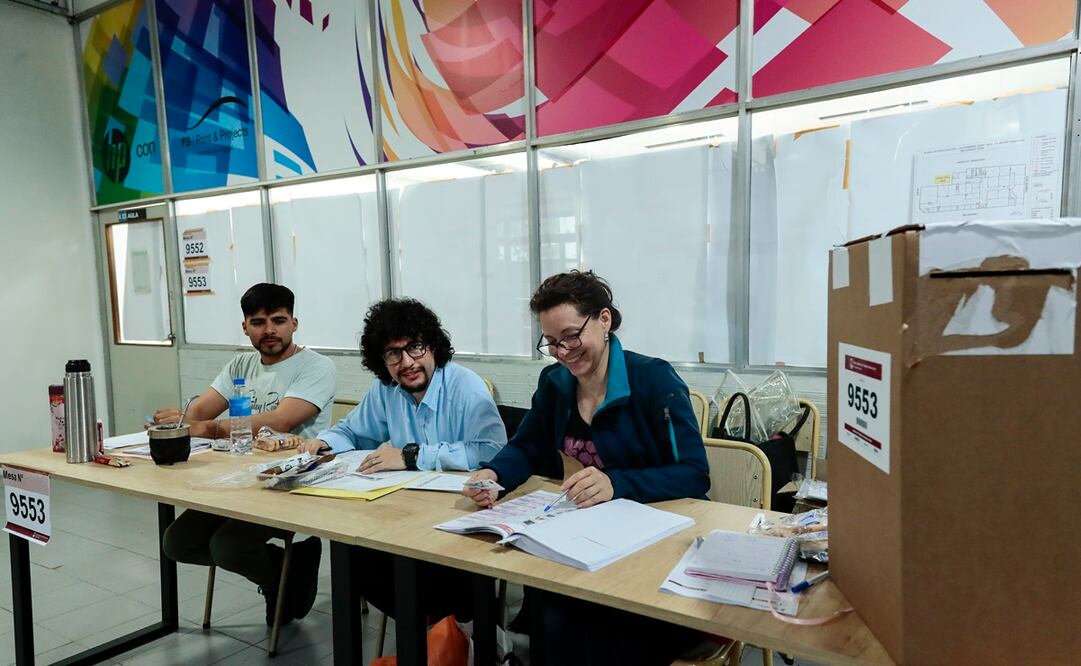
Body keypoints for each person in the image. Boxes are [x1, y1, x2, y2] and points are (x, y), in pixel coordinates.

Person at [464, 270, 710, 666]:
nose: (563, 351)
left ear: (605, 320)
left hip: (652, 548)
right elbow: (526, 446)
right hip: (584, 544)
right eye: (552, 342)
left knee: (586, 623)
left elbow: (695, 474)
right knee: (551, 608)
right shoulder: (555, 383)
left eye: (572, 336)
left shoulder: (654, 380)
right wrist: (494, 476)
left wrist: (617, 483)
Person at [299, 297, 506, 620]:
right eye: (393, 354)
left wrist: (412, 456)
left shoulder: (467, 389)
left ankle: (462, 633)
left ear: (433, 347)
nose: (407, 362)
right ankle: (430, 636)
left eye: (415, 348)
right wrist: (322, 443)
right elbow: (352, 432)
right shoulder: (387, 390)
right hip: (405, 516)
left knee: (429, 579)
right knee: (358, 559)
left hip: (460, 520)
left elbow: (492, 451)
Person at [154, 283, 336, 625]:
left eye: (278, 320)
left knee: (228, 547)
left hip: (289, 481)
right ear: (245, 327)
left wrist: (206, 427)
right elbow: (199, 412)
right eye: (258, 322)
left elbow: (281, 420)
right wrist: (183, 419)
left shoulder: (316, 367)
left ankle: (281, 584)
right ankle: (286, 571)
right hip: (237, 476)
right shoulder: (241, 364)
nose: (269, 330)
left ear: (294, 323)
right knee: (177, 542)